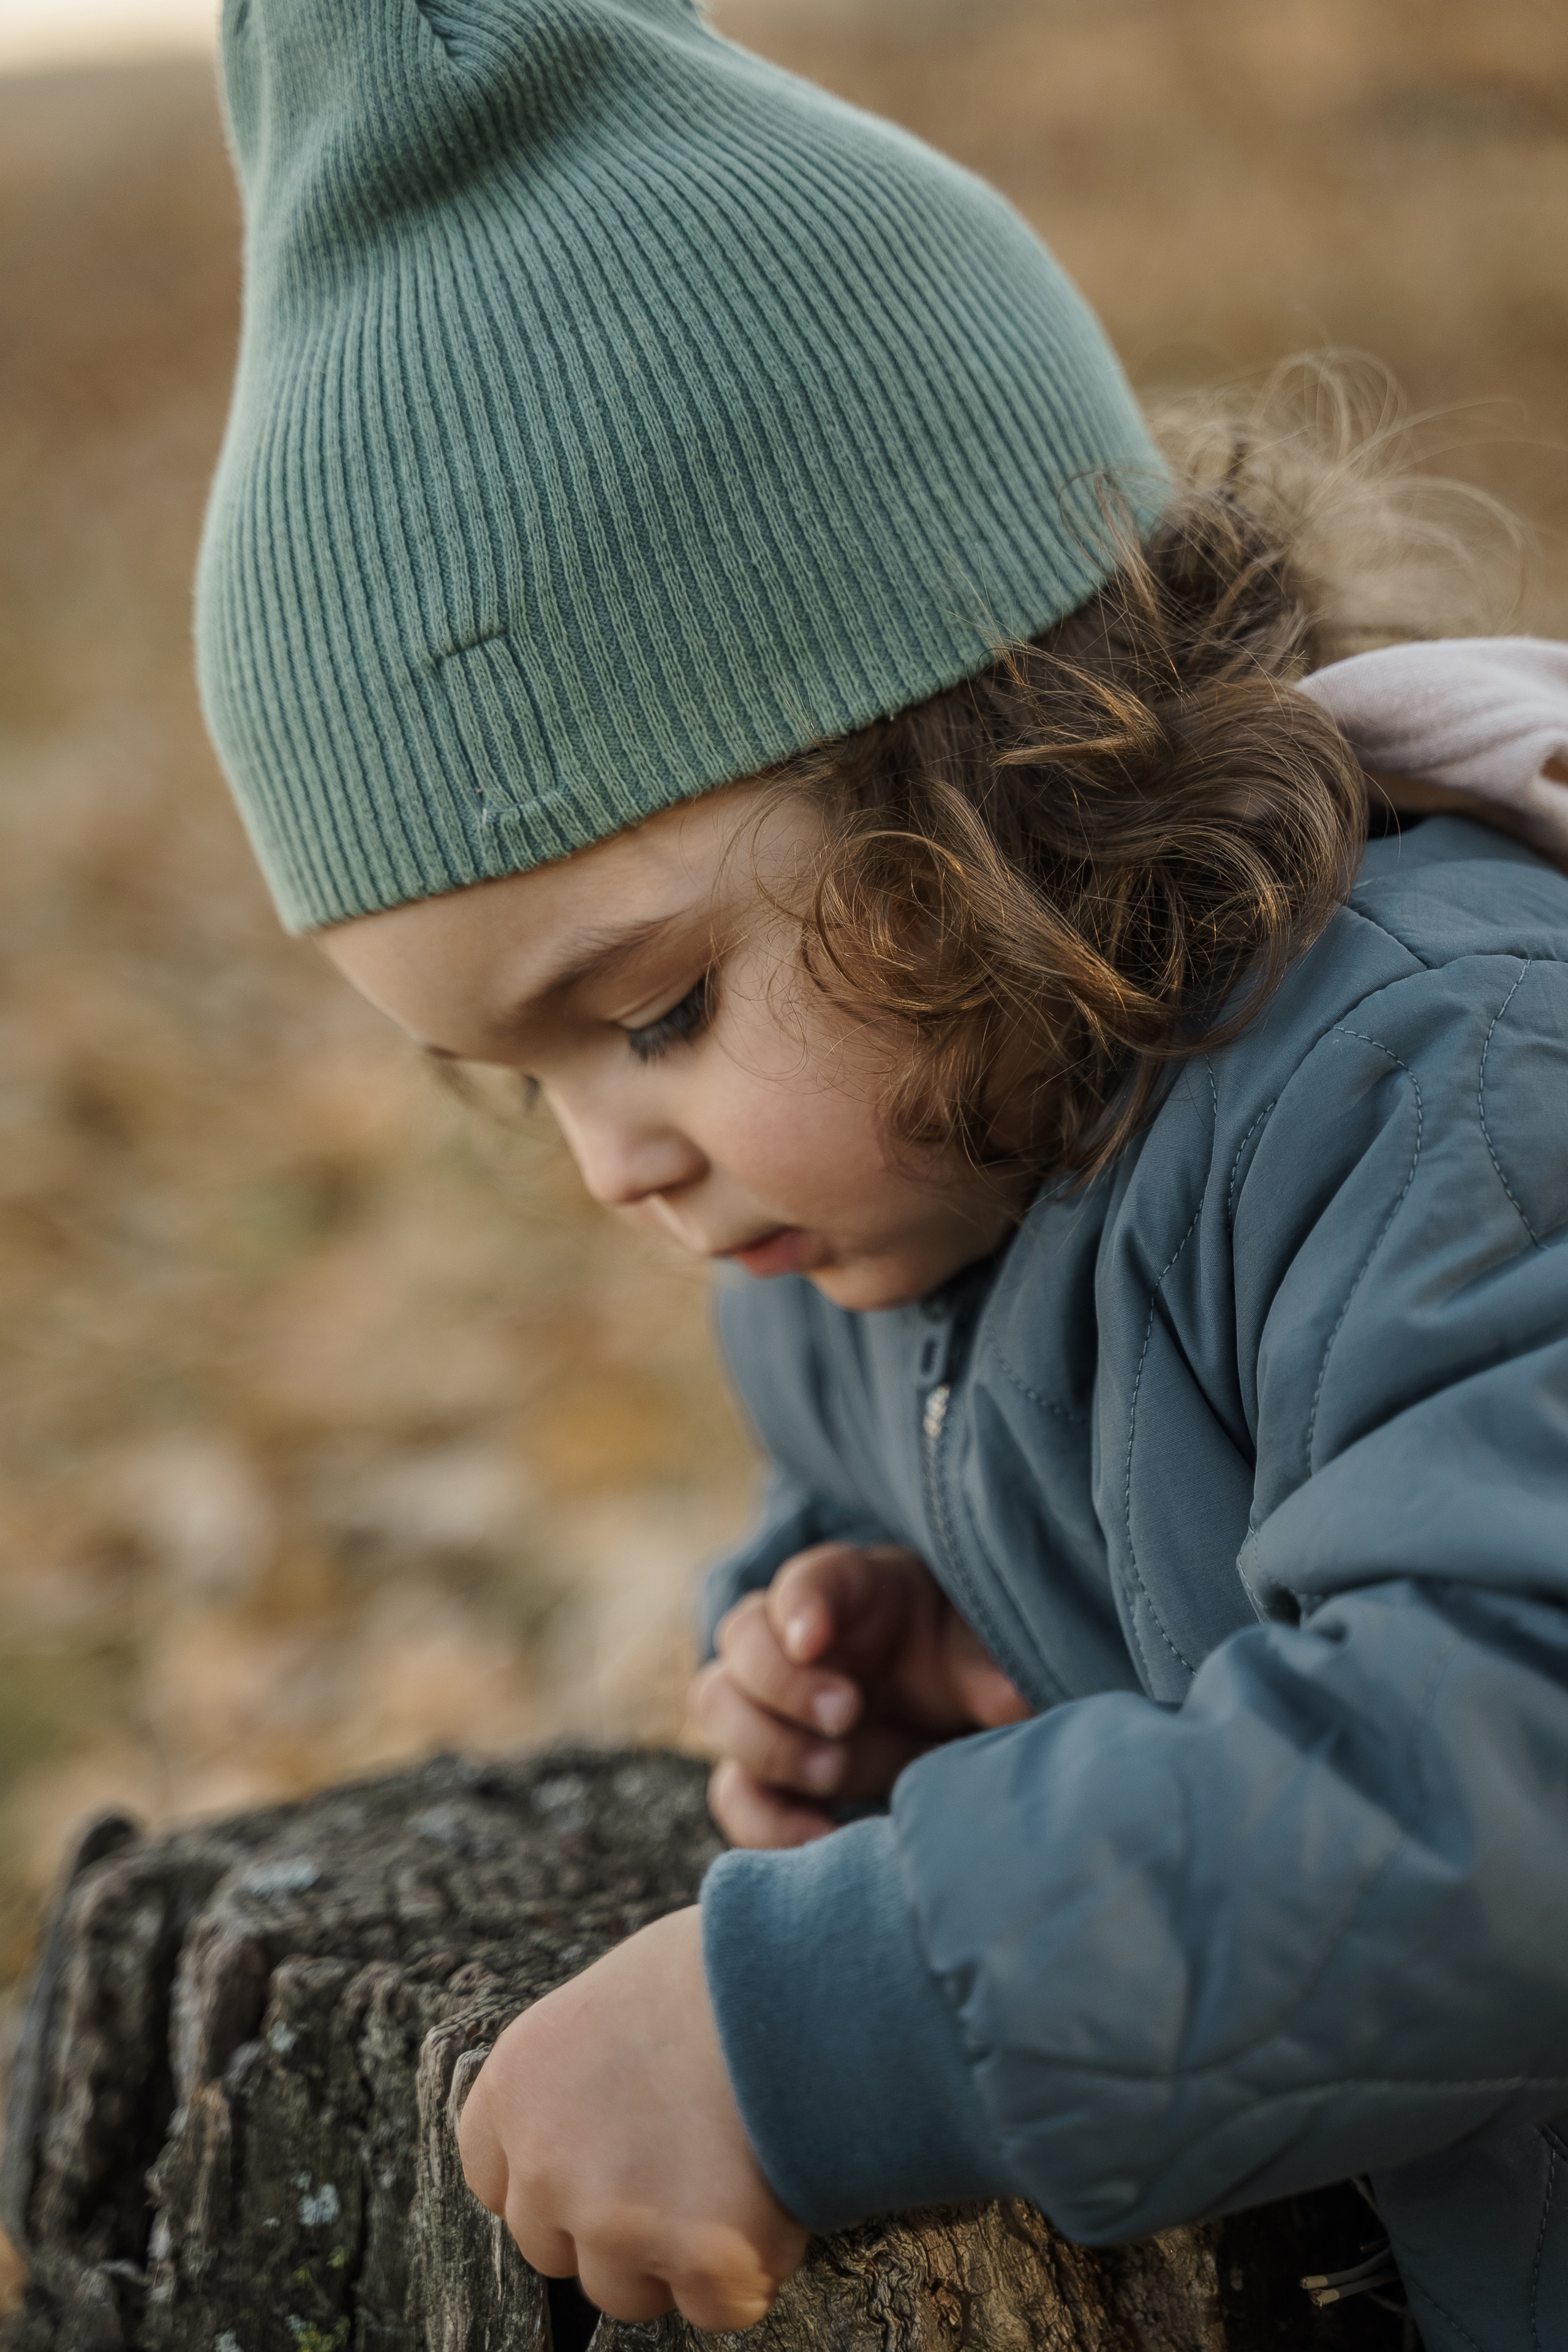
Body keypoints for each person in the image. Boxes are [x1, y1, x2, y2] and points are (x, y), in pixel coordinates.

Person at [193, 4, 1568, 2346]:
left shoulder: (1447, 1085)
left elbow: (1511, 1755)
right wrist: (893, 1666)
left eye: (653, 1012)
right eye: (517, 1083)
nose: (613, 1164)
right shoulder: (870, 1254)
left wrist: (833, 2014)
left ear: (1007, 768)